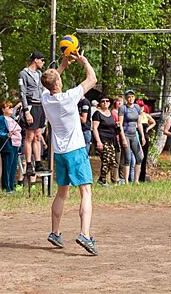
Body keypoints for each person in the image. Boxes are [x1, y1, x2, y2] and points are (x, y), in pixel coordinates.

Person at [42, 51, 98, 256]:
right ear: (58, 82)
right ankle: (85, 234)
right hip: (75, 150)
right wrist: (84, 61)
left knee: (61, 193)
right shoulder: (69, 97)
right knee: (86, 191)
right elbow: (93, 78)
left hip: (60, 153)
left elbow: (49, 82)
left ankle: (55, 232)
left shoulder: (45, 98)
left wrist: (63, 65)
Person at [19, 51, 50, 177]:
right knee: (29, 136)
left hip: (40, 106)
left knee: (38, 136)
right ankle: (29, 163)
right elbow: (22, 93)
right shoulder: (24, 73)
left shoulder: (39, 74)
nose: (43, 63)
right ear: (36, 60)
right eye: (42, 60)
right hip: (31, 106)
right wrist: (26, 111)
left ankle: (38, 162)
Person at [118, 90, 146, 184]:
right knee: (128, 158)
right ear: (126, 98)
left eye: (132, 97)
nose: (131, 99)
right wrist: (123, 138)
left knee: (139, 157)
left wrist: (142, 136)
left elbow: (139, 123)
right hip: (126, 134)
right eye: (129, 97)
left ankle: (136, 180)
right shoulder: (123, 108)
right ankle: (126, 181)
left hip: (134, 135)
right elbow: (120, 124)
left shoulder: (137, 107)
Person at [92, 95, 118, 186]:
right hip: (102, 139)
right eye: (103, 101)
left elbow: (113, 127)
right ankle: (103, 181)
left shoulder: (110, 113)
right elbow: (94, 128)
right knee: (106, 160)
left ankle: (101, 179)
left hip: (111, 140)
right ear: (100, 103)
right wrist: (98, 141)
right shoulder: (97, 114)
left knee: (112, 161)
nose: (105, 102)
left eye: (107, 101)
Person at [0, 100, 22, 193]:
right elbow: (0, 131)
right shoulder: (2, 119)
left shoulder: (12, 119)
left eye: (11, 107)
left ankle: (11, 186)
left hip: (15, 145)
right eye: (9, 107)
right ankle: (6, 188)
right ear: (3, 109)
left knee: (13, 167)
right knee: (7, 167)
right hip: (8, 146)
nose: (11, 109)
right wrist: (6, 135)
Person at [137, 99, 156, 182]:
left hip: (145, 136)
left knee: (144, 157)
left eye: (141, 106)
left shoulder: (146, 115)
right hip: (137, 136)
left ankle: (142, 177)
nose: (140, 108)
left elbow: (153, 122)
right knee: (136, 157)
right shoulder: (135, 115)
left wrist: (148, 128)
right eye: (138, 106)